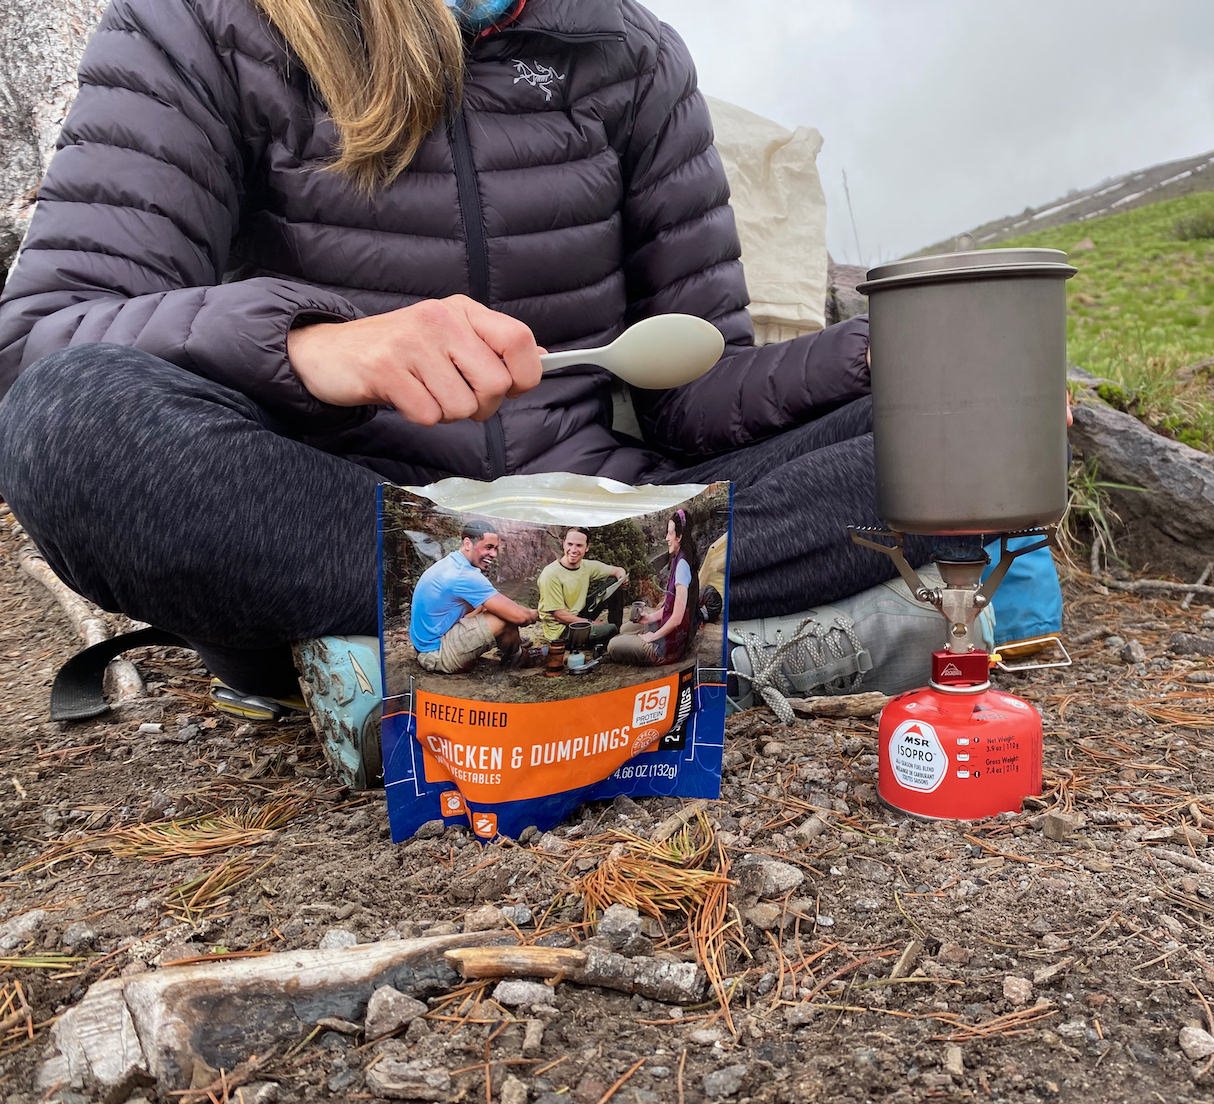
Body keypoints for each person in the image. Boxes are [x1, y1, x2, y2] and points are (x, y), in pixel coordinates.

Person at [0, 0, 946, 734]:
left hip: (614, 512)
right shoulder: (201, 23)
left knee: (948, 425)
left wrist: (882, 355)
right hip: (338, 521)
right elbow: (43, 334)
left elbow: (691, 393)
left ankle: (475, 669)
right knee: (71, 423)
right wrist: (310, 346)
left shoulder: (635, 52)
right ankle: (681, 643)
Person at [409, 520, 538, 674]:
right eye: (488, 547)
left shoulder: (453, 563)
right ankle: (518, 657)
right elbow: (520, 617)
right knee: (505, 617)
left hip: (426, 645)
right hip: (435, 655)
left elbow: (491, 604)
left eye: (496, 548)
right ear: (468, 543)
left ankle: (510, 645)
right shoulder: (463, 575)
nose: (494, 554)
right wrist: (543, 614)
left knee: (496, 607)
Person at [608, 508, 698, 666]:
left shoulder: (683, 565)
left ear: (680, 536)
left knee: (613, 646)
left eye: (670, 533)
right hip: (670, 630)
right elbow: (673, 607)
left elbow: (677, 618)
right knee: (625, 629)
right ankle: (644, 635)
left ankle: (651, 648)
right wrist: (650, 618)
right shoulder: (680, 558)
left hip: (670, 648)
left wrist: (653, 636)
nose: (666, 538)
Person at [536, 527, 627, 648]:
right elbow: (559, 615)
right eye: (569, 544)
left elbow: (617, 570)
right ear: (563, 544)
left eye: (579, 545)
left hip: (579, 614)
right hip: (562, 631)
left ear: (587, 547)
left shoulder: (586, 566)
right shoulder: (550, 574)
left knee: (616, 584)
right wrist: (591, 623)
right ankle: (609, 636)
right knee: (609, 629)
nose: (573, 550)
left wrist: (622, 578)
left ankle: (615, 632)